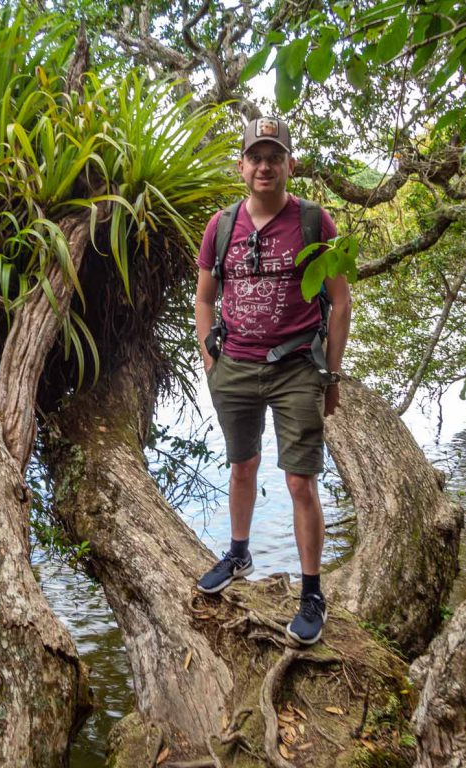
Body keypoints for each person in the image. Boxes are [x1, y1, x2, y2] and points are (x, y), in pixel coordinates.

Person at [194, 117, 351, 646]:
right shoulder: (221, 225)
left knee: (300, 482)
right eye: (255, 157)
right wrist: (210, 360)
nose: (264, 166)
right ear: (241, 166)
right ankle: (238, 552)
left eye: (274, 156)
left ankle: (311, 592)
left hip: (296, 369)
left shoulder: (314, 222)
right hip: (234, 366)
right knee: (242, 465)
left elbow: (341, 301)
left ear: (290, 164)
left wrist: (330, 376)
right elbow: (205, 297)